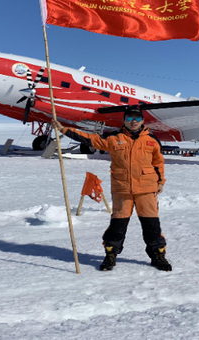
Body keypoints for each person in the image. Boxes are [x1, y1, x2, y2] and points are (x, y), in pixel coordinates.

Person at [52, 106, 171, 272]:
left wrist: (160, 182)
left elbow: (158, 162)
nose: (134, 121)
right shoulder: (113, 138)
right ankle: (110, 254)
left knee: (151, 225)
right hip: (122, 189)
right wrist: (63, 129)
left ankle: (158, 255)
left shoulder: (151, 139)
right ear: (124, 120)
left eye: (137, 118)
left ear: (143, 121)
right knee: (118, 225)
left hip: (147, 189)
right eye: (130, 118)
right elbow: (90, 139)